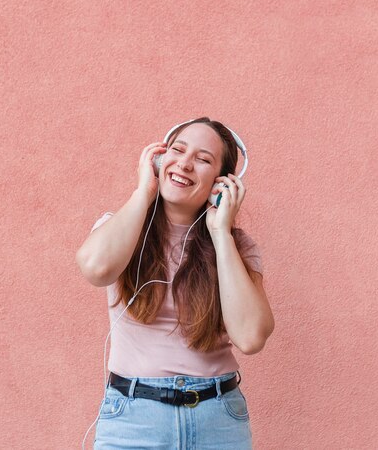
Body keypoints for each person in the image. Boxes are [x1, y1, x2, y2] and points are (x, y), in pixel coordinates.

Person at [76, 117, 274, 449]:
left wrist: (221, 233)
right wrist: (144, 191)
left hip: (218, 420)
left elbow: (251, 337)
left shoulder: (238, 248)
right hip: (133, 418)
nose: (184, 163)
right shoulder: (120, 226)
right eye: (177, 150)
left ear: (221, 183)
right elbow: (96, 269)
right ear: (157, 159)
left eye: (203, 159)